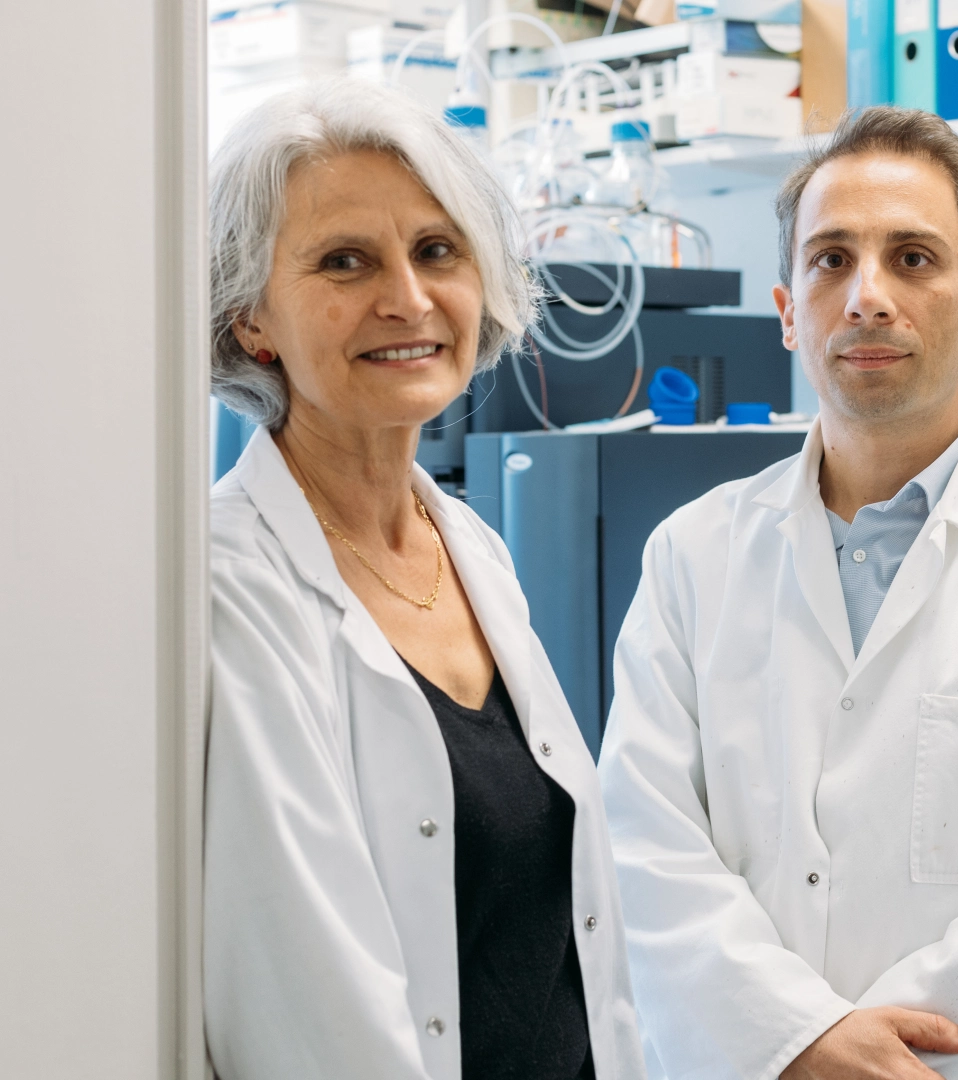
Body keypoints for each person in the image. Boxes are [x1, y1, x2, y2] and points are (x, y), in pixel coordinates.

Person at [597, 107, 958, 1080]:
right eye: (831, 260)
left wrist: (873, 1063)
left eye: (913, 259)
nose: (867, 297)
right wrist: (796, 1043)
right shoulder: (691, 557)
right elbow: (645, 852)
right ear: (788, 309)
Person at [203, 77, 646, 1080]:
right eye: (344, 261)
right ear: (250, 320)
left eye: (438, 250)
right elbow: (307, 1000)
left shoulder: (470, 548)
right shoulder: (234, 590)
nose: (407, 298)